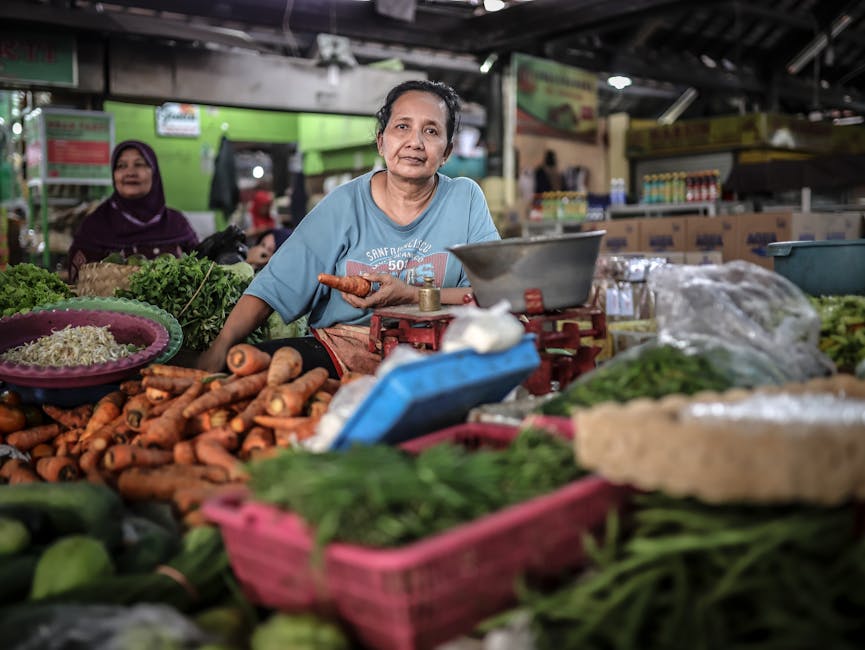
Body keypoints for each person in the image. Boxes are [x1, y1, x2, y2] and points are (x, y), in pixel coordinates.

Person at [197, 79, 500, 376]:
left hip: (440, 353)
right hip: (345, 351)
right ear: (382, 141)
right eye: (402, 126)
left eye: (431, 131)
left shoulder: (464, 198)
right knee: (243, 368)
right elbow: (275, 285)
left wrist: (410, 294)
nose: (415, 142)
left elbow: (495, 291)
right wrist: (221, 346)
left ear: (446, 152)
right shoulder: (343, 205)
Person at [68, 140, 199, 283]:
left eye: (139, 164)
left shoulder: (176, 222)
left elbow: (199, 269)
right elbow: (78, 279)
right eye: (121, 166)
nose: (130, 172)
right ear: (114, 174)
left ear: (154, 172)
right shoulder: (95, 225)